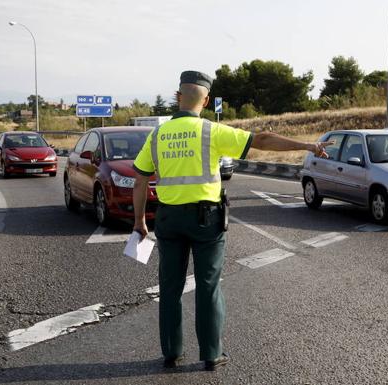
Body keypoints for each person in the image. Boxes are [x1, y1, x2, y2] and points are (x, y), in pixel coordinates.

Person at [132, 70, 332, 371]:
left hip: (169, 219)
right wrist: (305, 147)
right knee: (208, 286)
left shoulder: (157, 135)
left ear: (178, 97)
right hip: (205, 220)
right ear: (206, 100)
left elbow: (139, 180)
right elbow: (261, 139)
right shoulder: (211, 131)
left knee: (169, 289)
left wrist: (139, 222)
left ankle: (172, 353)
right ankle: (211, 354)